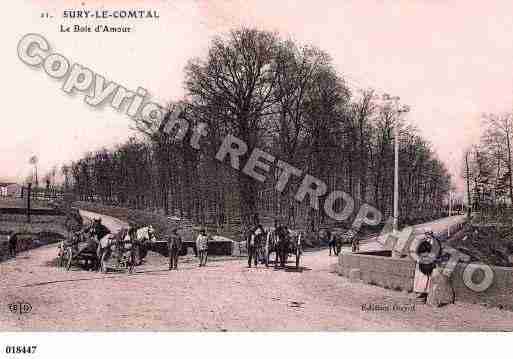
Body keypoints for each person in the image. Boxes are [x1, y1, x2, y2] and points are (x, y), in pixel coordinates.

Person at [413, 228, 441, 303]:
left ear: (431, 234)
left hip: (430, 263)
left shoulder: (436, 242)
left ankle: (426, 294)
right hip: (422, 262)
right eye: (426, 234)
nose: (427, 235)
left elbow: (437, 253)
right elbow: (417, 251)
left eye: (429, 233)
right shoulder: (422, 241)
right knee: (420, 278)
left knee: (428, 279)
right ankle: (420, 293)